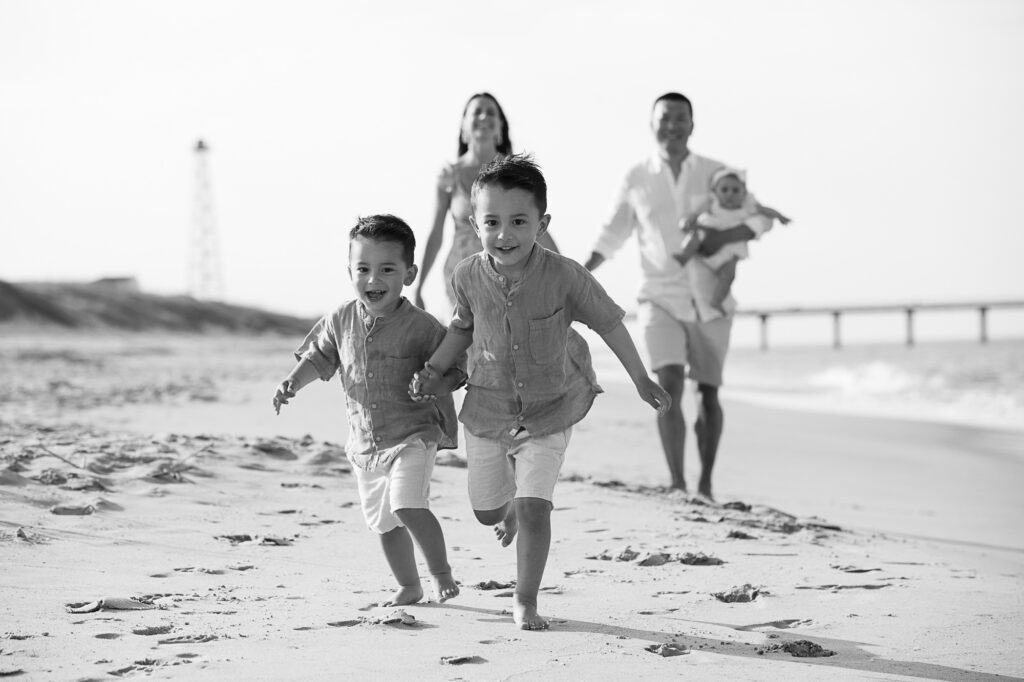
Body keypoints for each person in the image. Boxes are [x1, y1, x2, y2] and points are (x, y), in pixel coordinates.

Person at [410, 155, 670, 631]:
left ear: (541, 223)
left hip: (550, 408)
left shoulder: (565, 275)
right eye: (492, 222)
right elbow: (461, 329)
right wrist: (434, 369)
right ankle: (506, 507)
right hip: (488, 406)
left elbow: (610, 324)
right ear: (475, 223)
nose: (504, 234)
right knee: (488, 511)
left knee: (535, 508)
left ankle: (525, 598)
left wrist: (640, 378)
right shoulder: (467, 275)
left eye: (518, 222)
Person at [584, 92, 773, 501]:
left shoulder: (713, 172)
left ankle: (704, 483)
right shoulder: (636, 177)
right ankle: (678, 482)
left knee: (708, 391)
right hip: (658, 297)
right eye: (664, 119)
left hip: (710, 299)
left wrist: (721, 235)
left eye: (679, 119)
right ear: (652, 125)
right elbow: (613, 233)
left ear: (692, 124)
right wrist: (580, 273)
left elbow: (757, 218)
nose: (671, 126)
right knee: (667, 382)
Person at [272, 214, 467, 606]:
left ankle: (441, 573)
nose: (373, 280)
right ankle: (409, 584)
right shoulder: (340, 319)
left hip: (414, 434)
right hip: (366, 441)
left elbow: (455, 373)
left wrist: (435, 383)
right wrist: (293, 381)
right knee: (383, 522)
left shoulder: (423, 327)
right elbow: (319, 357)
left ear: (408, 274)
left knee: (407, 504)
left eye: (386, 270)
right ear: (350, 271)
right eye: (363, 269)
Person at [414, 92, 559, 312]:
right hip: (461, 277)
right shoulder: (449, 176)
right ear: (463, 127)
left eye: (491, 112)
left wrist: (564, 273)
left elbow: (534, 223)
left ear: (500, 127)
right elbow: (436, 234)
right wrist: (419, 286)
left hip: (507, 268)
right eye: (476, 112)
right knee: (465, 341)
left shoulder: (515, 171)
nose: (483, 116)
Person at [673, 167, 790, 316]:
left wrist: (780, 216)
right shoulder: (711, 205)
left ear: (744, 194)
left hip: (729, 253)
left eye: (735, 191)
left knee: (729, 274)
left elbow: (766, 212)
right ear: (715, 191)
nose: (730, 194)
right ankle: (684, 256)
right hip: (706, 239)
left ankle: (717, 300)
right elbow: (693, 216)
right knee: (695, 236)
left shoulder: (747, 208)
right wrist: (688, 222)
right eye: (725, 190)